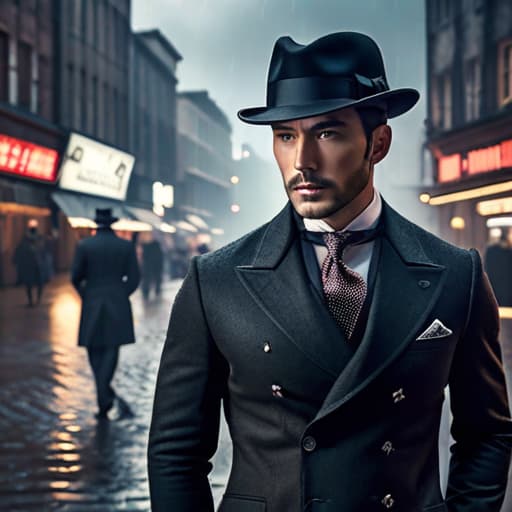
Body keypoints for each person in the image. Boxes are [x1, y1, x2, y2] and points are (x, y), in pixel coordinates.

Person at [148, 32, 512, 511]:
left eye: (327, 133)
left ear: (378, 142)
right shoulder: (216, 279)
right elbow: (176, 452)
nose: (302, 161)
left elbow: (486, 434)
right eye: (286, 136)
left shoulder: (454, 274)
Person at [71, 208, 140, 419]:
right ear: (112, 224)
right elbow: (135, 278)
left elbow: (75, 277)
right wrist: (120, 293)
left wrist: (87, 294)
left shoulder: (84, 246)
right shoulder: (125, 246)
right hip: (117, 302)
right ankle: (105, 395)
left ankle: (103, 396)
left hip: (92, 301)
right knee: (111, 348)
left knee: (93, 348)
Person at [12, 219, 46, 306]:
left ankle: (37, 300)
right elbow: (21, 250)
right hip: (30, 264)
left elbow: (43, 251)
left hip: (38, 264)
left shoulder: (39, 238)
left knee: (39, 283)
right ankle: (31, 301)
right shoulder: (26, 239)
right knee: (29, 283)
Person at [485, 227, 512, 307]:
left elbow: (486, 269)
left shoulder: (490, 250)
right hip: (507, 291)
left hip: (492, 290)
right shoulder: (509, 252)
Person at [141, 235, 164, 300]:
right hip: (153, 264)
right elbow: (160, 256)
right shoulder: (147, 245)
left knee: (149, 278)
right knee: (152, 278)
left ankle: (148, 291)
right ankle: (151, 291)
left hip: (150, 264)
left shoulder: (145, 245)